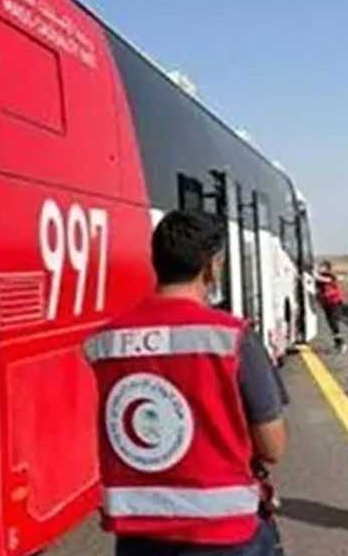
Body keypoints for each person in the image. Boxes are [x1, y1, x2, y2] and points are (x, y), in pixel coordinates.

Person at [84, 210, 288, 556]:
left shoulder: (105, 342)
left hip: (138, 537)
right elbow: (273, 448)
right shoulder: (233, 338)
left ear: (156, 262)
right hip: (226, 535)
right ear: (211, 268)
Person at [314, 260, 347, 354]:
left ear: (327, 268)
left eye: (321, 266)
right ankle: (338, 343)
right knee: (331, 324)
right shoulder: (319, 280)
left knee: (333, 322)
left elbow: (324, 280)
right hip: (326, 304)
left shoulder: (330, 276)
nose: (320, 268)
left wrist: (314, 273)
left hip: (335, 303)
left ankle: (342, 343)